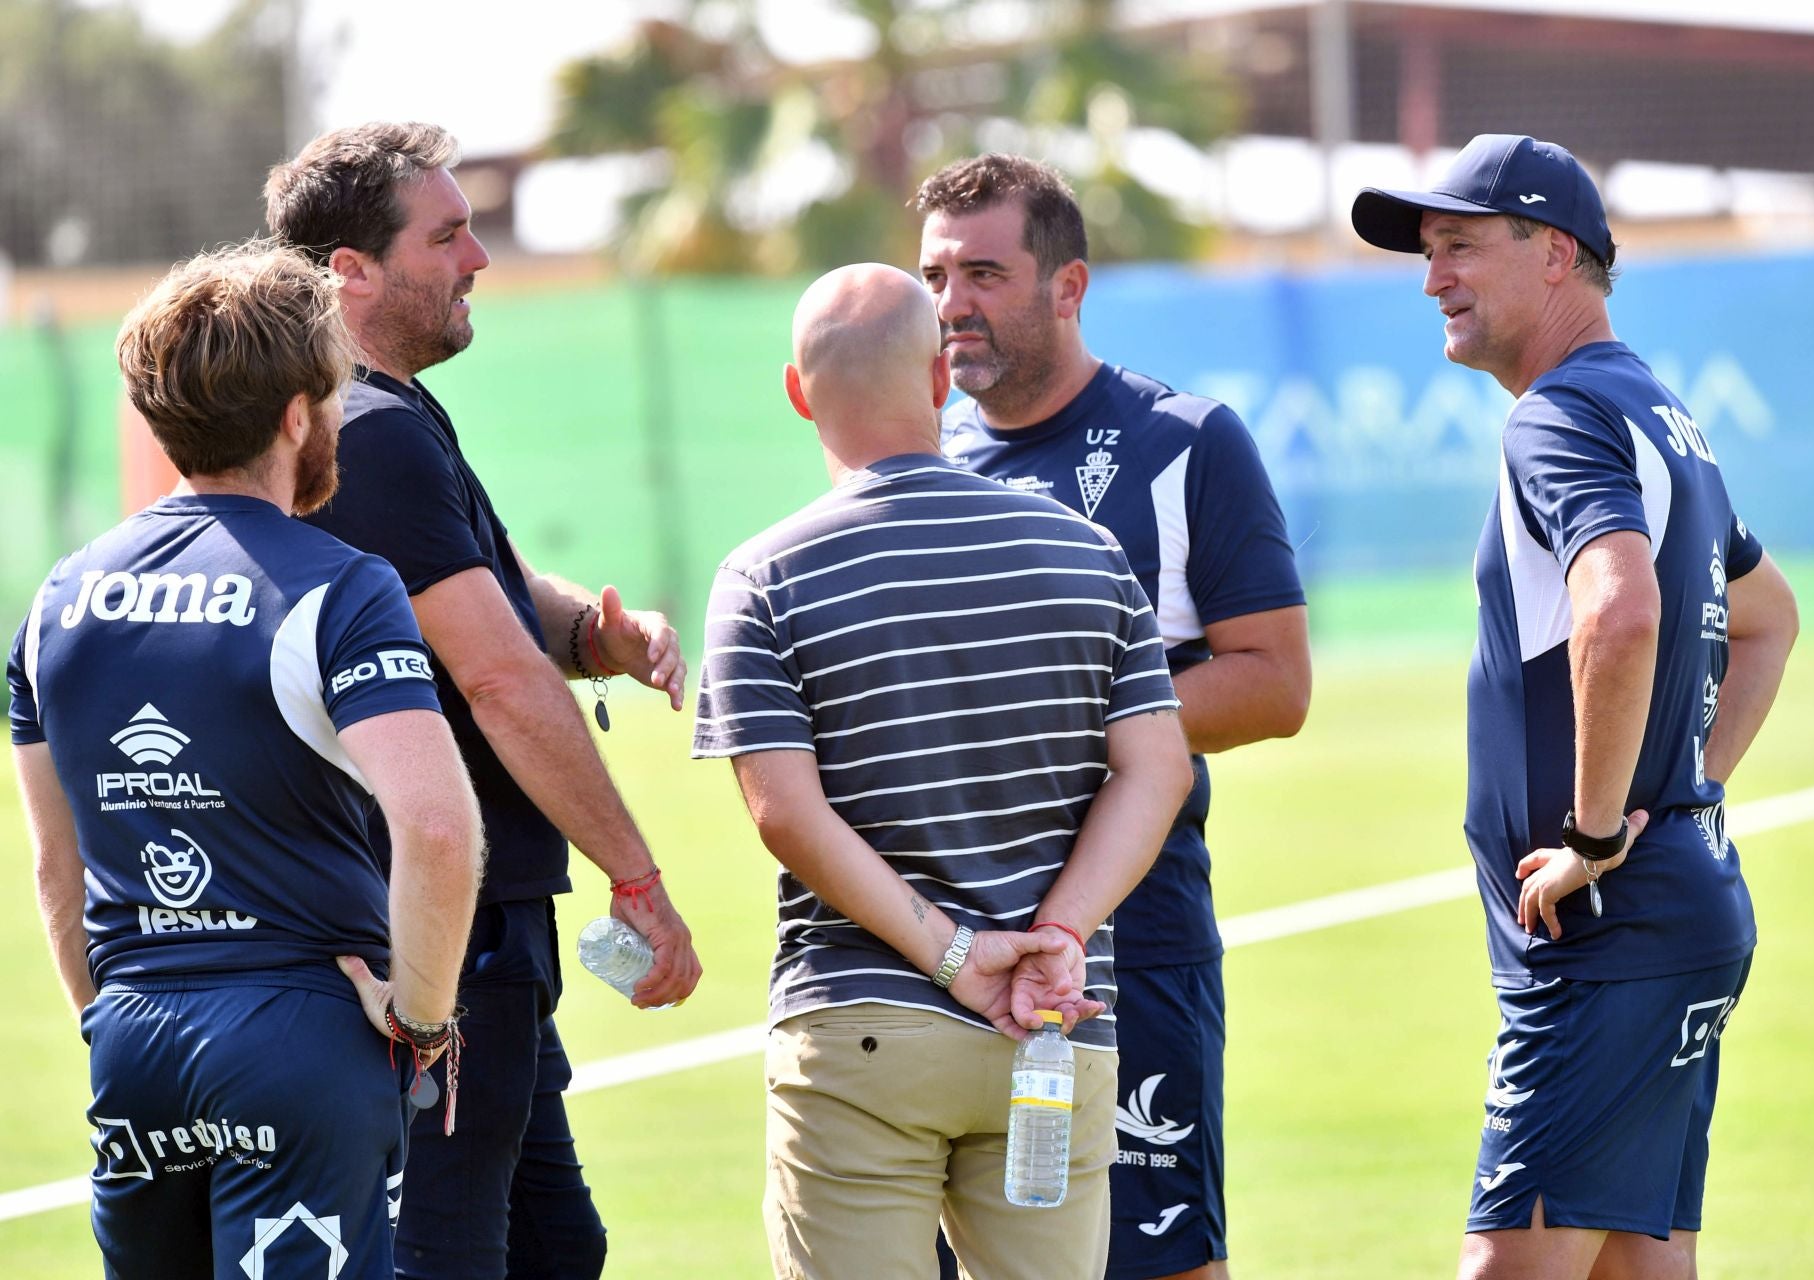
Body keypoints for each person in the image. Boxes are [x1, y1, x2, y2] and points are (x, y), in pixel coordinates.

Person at [1349, 134, 1800, 1279]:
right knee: (1638, 1266)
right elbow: (1770, 618)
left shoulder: (1557, 413)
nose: (1431, 275)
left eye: (1459, 245)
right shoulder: (1655, 410)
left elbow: (1623, 607)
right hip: (1669, 914)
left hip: (1606, 935)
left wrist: (1601, 833)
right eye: (1426, 251)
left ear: (1555, 253)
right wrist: (1682, 794)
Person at [692, 262, 1195, 1280]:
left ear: (798, 392)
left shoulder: (762, 574)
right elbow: (1159, 769)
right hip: (1056, 1020)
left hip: (865, 1019)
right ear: (939, 380)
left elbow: (785, 813)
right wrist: (1058, 932)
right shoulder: (1088, 549)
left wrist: (954, 953)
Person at [264, 122, 702, 1279]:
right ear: (348, 270)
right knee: (453, 1256)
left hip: (471, 928)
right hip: (447, 934)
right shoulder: (372, 432)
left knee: (559, 1247)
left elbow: (493, 600)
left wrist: (589, 634)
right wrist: (640, 878)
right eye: (447, 234)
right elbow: (496, 677)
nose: (480, 259)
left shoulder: (379, 417)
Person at [7, 242, 484, 1278]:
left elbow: (57, 866)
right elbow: (438, 826)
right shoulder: (343, 583)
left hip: (131, 1047)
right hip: (301, 1048)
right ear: (299, 415)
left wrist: (110, 1020)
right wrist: (422, 1019)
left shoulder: (55, 598)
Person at [915, 153, 1312, 1280]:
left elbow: (1275, 680)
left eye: (985, 273)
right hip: (940, 948)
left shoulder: (1181, 441)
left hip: (1128, 946)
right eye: (937, 274)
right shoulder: (917, 458)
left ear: (1068, 286)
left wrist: (1075, 727)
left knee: (1156, 1260)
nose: (952, 304)